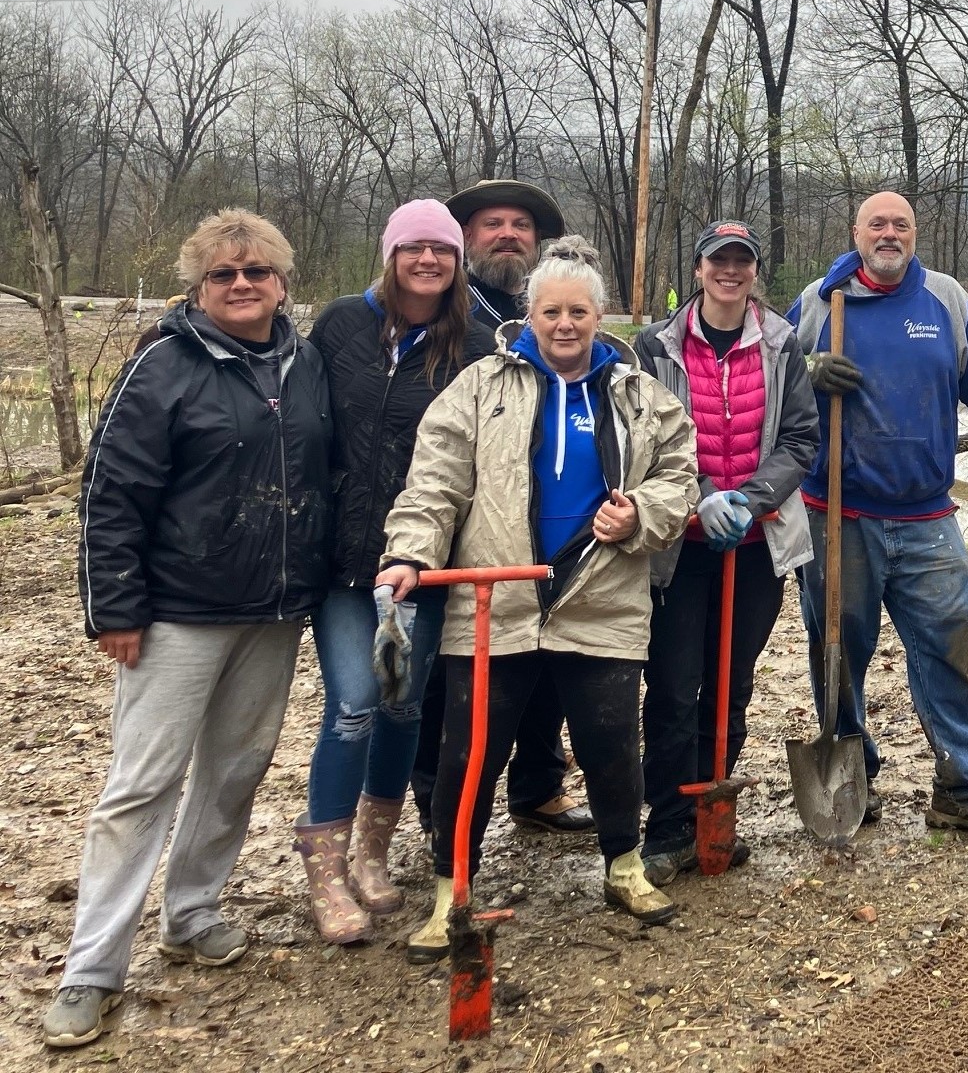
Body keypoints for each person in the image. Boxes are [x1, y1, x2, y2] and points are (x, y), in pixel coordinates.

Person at [44, 211, 333, 1050]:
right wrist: (116, 607)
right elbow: (112, 492)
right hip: (176, 611)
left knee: (236, 769)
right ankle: (92, 967)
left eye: (256, 272)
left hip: (274, 610)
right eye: (222, 275)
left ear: (282, 281)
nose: (241, 285)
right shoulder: (162, 366)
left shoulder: (305, 364)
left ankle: (193, 908)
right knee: (141, 787)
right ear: (198, 287)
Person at [377, 237, 699, 960]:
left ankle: (623, 865)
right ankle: (449, 888)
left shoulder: (640, 396)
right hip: (495, 600)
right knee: (469, 755)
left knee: (613, 744)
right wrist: (408, 554)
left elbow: (681, 479)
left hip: (602, 597)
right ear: (528, 314)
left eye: (578, 311)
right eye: (550, 310)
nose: (564, 324)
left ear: (600, 314)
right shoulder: (479, 388)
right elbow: (435, 484)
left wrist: (639, 514)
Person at [788, 191, 968, 836]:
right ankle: (851, 772)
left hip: (927, 519)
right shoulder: (819, 302)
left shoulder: (946, 301)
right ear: (856, 233)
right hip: (837, 514)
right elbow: (770, 383)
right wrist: (807, 369)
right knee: (837, 651)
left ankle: (964, 788)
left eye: (901, 225)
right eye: (877, 225)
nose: (889, 234)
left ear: (916, 234)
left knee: (950, 652)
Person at [294, 200, 495, 944]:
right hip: (345, 559)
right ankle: (326, 867)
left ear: (456, 262)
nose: (428, 261)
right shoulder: (343, 324)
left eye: (441, 250)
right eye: (413, 248)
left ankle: (375, 855)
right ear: (391, 254)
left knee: (405, 704)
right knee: (353, 703)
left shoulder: (472, 343)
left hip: (427, 560)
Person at [405, 177, 594, 839]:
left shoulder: (545, 311)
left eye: (520, 225)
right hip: (460, 523)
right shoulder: (449, 315)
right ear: (466, 239)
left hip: (544, 520)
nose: (508, 234)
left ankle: (537, 787)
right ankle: (439, 804)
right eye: (492, 224)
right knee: (449, 684)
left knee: (545, 661)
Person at [635, 220, 819, 884]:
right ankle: (665, 827)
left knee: (731, 686)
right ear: (698, 269)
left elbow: (801, 439)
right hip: (678, 550)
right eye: (719, 261)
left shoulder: (781, 343)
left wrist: (753, 497)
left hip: (755, 543)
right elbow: (645, 442)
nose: (730, 272)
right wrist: (702, 495)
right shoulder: (654, 346)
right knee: (675, 687)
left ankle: (715, 815)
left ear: (753, 272)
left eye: (742, 262)